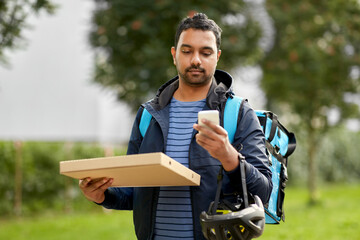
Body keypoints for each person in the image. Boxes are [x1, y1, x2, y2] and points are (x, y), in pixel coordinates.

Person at [79, 13, 272, 240]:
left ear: (217, 57)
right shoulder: (148, 115)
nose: (196, 60)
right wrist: (102, 195)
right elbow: (135, 193)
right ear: (174, 55)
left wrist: (228, 155)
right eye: (187, 51)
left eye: (206, 52)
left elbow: (263, 192)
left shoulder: (238, 113)